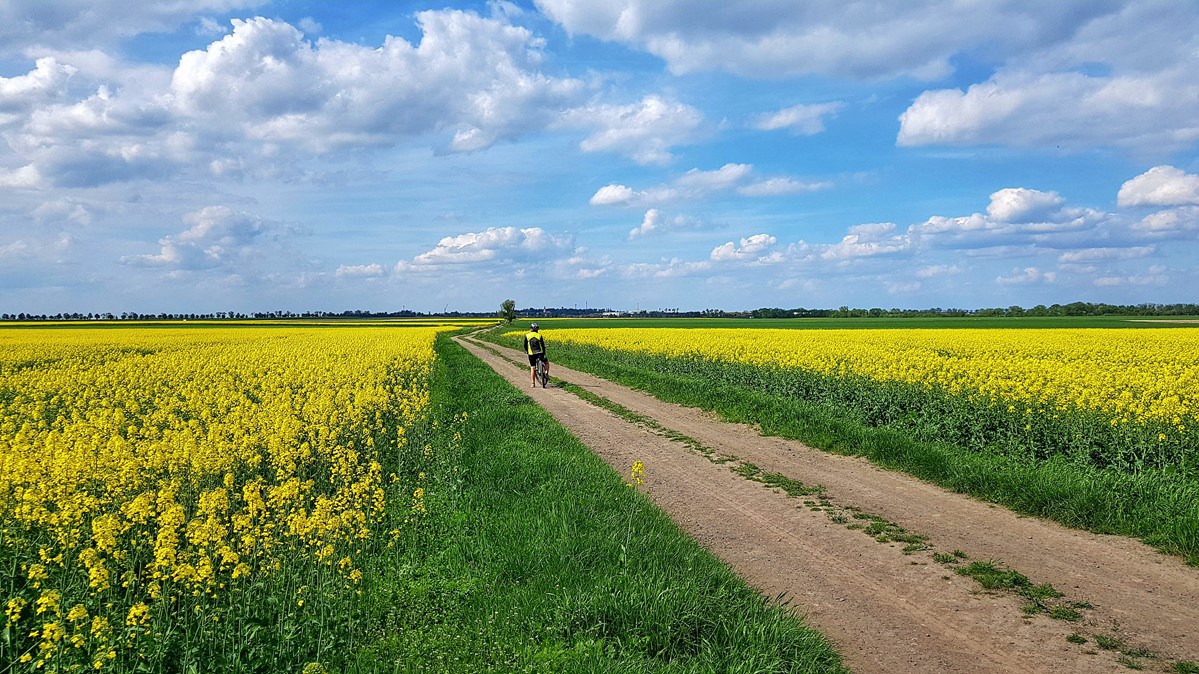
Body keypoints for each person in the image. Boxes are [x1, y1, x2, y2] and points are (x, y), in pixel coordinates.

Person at [523, 323, 549, 387]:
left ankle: (532, 383)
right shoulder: (539, 335)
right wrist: (544, 353)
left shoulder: (527, 335)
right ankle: (546, 373)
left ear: (531, 329)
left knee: (533, 367)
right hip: (539, 353)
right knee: (546, 363)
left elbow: (525, 345)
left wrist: (526, 350)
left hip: (531, 354)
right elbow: (542, 345)